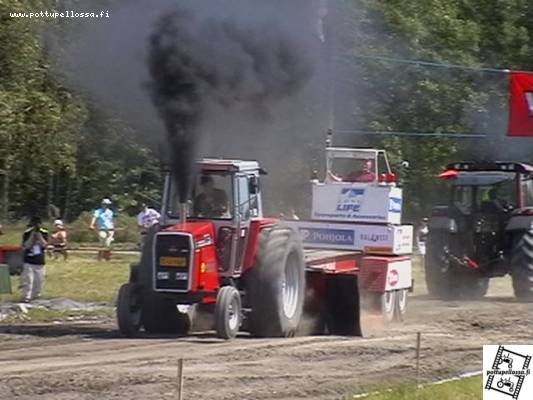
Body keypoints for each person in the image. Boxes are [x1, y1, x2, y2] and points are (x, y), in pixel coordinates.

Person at [20, 216, 48, 303]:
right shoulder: (27, 233)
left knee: (39, 281)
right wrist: (32, 236)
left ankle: (36, 297)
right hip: (29, 261)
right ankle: (26, 297)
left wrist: (39, 236)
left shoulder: (44, 232)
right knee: (28, 280)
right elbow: (26, 246)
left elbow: (44, 245)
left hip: (39, 261)